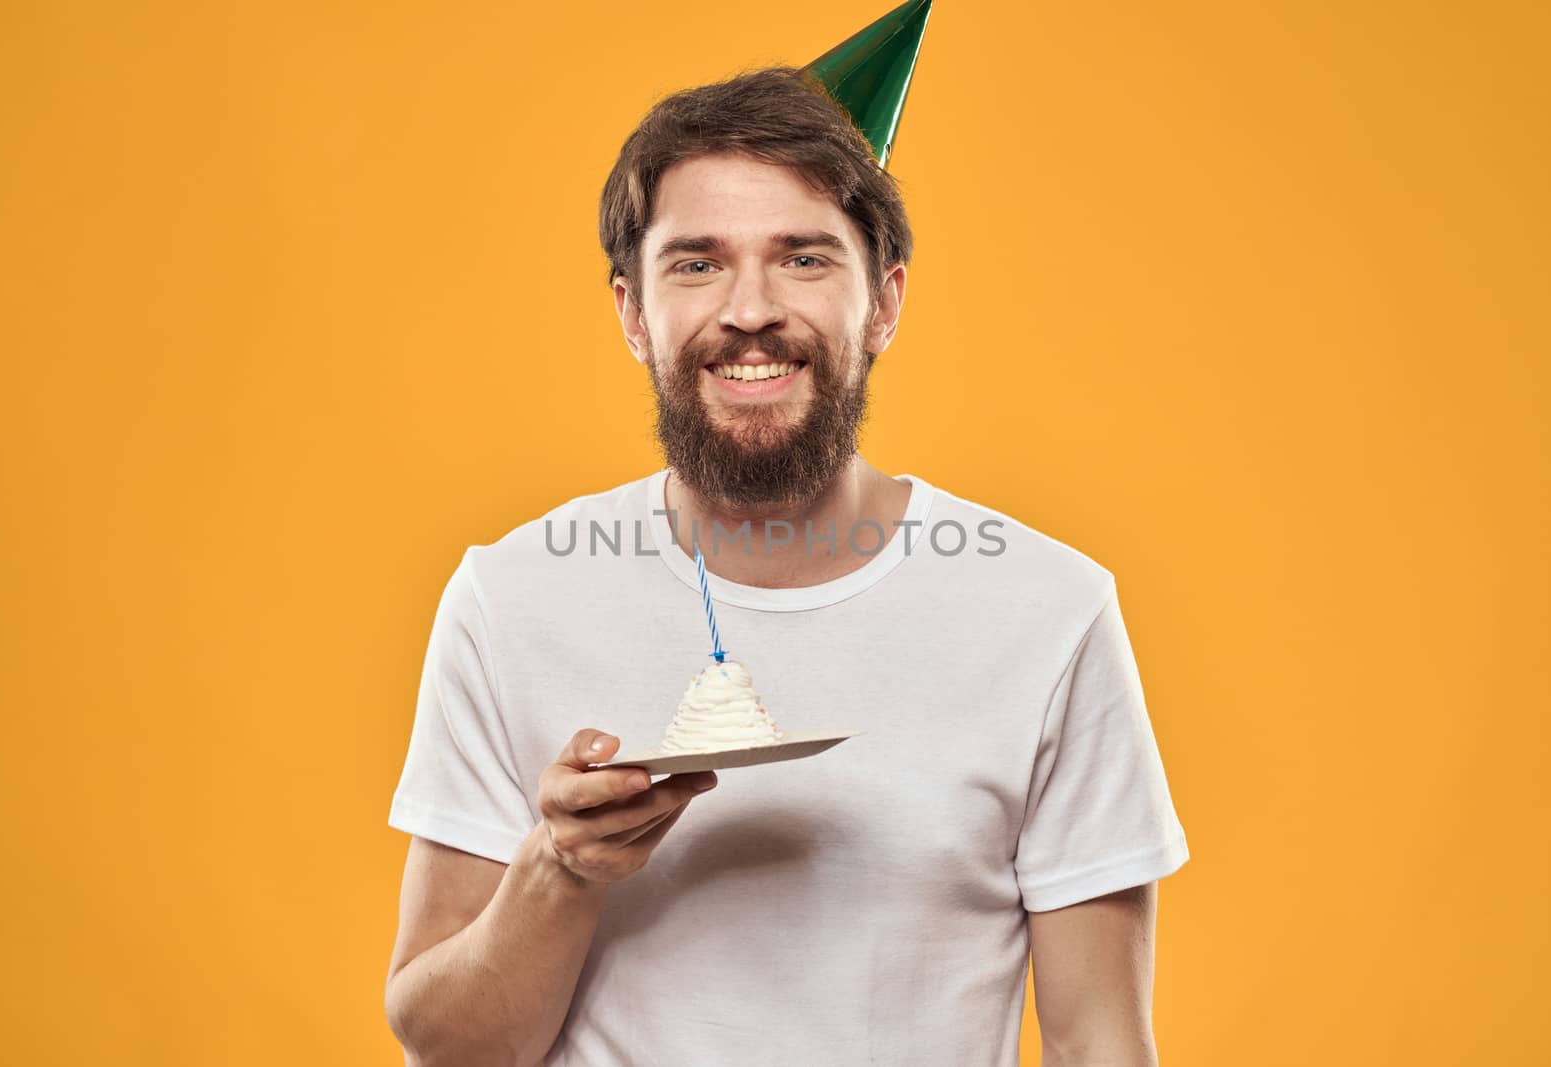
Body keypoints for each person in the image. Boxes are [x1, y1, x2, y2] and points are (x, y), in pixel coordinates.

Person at [384, 21, 1188, 1067]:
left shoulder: (1048, 610)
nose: (750, 310)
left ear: (883, 299)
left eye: (803, 257)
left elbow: (1100, 1040)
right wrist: (561, 869)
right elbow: (446, 1047)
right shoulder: (510, 598)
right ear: (634, 312)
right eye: (696, 262)